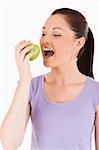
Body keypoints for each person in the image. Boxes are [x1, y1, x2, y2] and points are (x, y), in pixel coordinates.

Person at [0, 8, 99, 150]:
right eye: (43, 33)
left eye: (56, 34)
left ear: (78, 43)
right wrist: (25, 78)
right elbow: (9, 143)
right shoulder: (31, 87)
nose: (45, 40)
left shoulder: (95, 92)